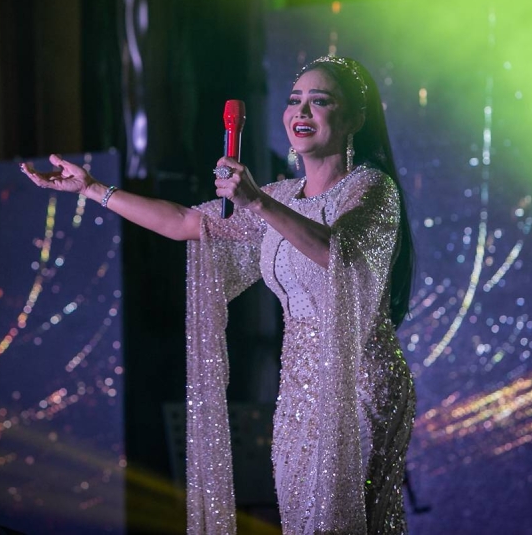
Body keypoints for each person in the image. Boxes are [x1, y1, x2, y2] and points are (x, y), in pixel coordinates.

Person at [21, 55, 416, 535]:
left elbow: (342, 256)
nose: (301, 113)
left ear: (355, 117)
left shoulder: (371, 188)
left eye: (321, 101)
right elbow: (190, 223)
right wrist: (93, 189)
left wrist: (258, 202)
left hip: (358, 382)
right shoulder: (284, 195)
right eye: (294, 101)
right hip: (298, 389)